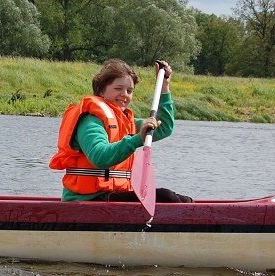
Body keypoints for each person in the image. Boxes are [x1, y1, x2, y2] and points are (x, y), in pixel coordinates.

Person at [49, 59, 192, 203]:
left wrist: (164, 86)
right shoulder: (90, 121)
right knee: (166, 197)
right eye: (118, 89)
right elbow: (100, 157)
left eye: (129, 91)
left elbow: (165, 127)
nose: (125, 94)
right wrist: (138, 139)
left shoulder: (126, 123)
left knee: (183, 201)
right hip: (87, 199)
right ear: (101, 90)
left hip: (114, 196)